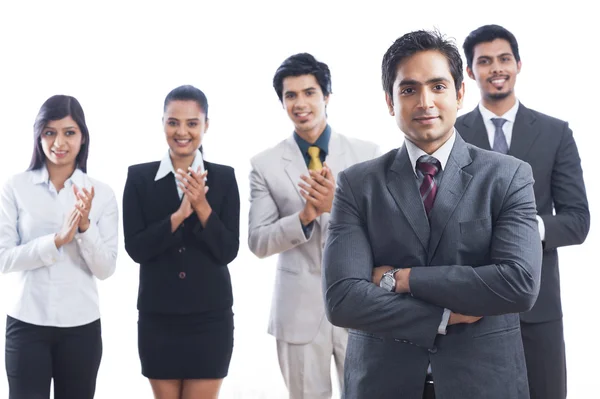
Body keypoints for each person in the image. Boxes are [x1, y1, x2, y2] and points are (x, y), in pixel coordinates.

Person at [322, 30, 543, 399]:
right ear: (390, 102)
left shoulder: (508, 176)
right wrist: (443, 316)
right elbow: (343, 298)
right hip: (382, 383)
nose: (425, 102)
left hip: (482, 382)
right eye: (408, 90)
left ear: (459, 94)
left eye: (437, 86)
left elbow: (518, 285)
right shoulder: (358, 184)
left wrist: (402, 279)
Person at [456, 24, 590, 399]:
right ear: (470, 72)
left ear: (518, 64)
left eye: (503, 59)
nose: (495, 68)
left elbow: (577, 222)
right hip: (472, 306)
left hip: (539, 307)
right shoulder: (453, 134)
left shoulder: (554, 133)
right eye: (484, 61)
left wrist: (522, 226)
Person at [248, 53, 380, 399]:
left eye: (309, 92)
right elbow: (259, 241)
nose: (300, 103)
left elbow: (387, 232)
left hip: (359, 304)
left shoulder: (367, 155)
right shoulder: (265, 164)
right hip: (298, 313)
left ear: (327, 97)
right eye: (290, 95)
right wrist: (305, 216)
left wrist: (335, 208)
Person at [122, 85, 240, 399]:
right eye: (173, 122)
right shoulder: (139, 178)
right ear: (162, 123)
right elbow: (136, 248)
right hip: (158, 319)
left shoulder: (224, 178)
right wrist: (178, 215)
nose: (182, 131)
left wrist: (201, 206)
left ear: (206, 125)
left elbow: (228, 250)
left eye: (192, 123)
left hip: (210, 319)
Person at [0, 95, 118, 399]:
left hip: (81, 327)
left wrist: (83, 227)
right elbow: (3, 258)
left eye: (69, 132)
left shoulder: (101, 194)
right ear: (38, 136)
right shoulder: (15, 186)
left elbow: (105, 269)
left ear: (82, 137)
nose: (58, 142)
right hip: (27, 323)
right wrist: (55, 241)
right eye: (49, 132)